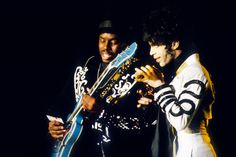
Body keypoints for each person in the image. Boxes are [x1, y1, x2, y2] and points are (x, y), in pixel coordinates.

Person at [48, 18, 162, 157]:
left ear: (124, 44)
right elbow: (61, 104)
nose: (106, 47)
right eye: (102, 40)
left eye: (113, 41)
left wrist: (103, 111)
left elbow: (142, 123)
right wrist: (55, 126)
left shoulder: (139, 73)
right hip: (79, 149)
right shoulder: (85, 66)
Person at [134, 7, 217, 157]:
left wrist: (160, 86)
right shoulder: (184, 72)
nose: (151, 52)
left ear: (174, 43)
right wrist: (154, 102)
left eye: (155, 45)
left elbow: (180, 120)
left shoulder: (195, 72)